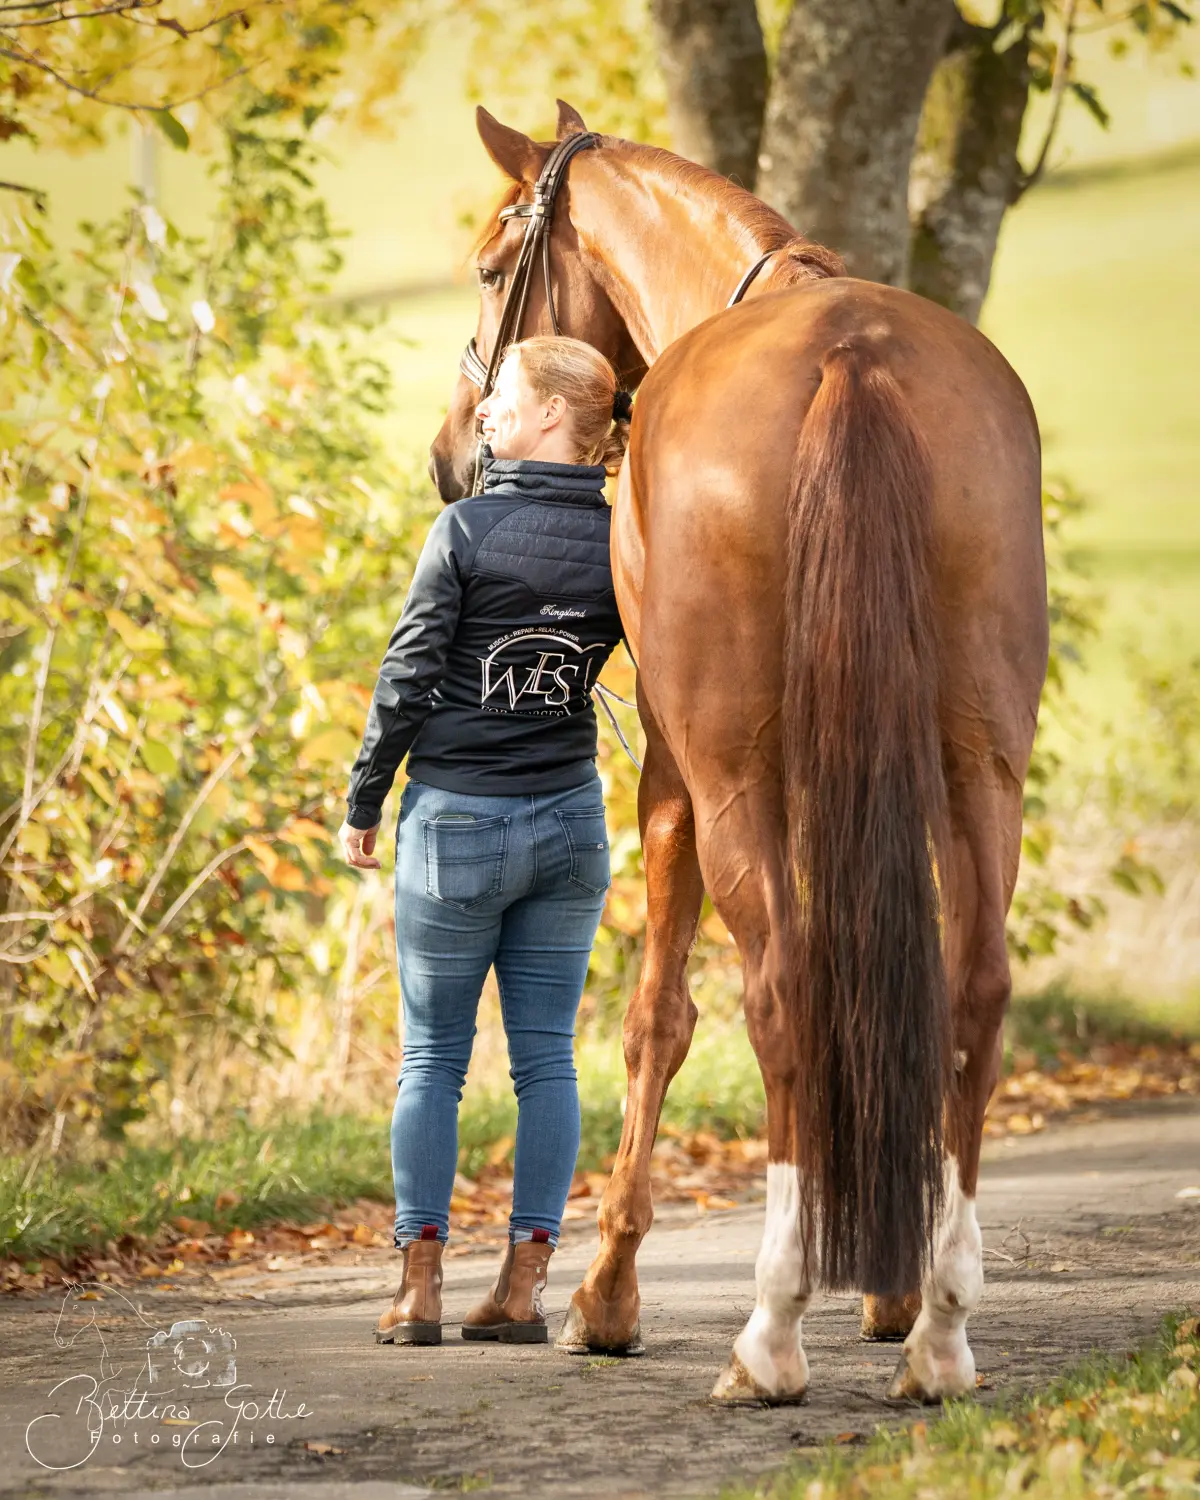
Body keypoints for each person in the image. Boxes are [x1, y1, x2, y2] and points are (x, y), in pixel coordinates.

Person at [338, 336, 632, 1348]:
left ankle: (418, 1289)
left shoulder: (465, 529)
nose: (487, 406)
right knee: (549, 1060)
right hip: (569, 822)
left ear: (554, 413)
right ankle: (523, 1289)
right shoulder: (627, 539)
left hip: (454, 825)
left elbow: (410, 675)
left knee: (432, 1059)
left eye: (503, 392)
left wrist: (365, 796)